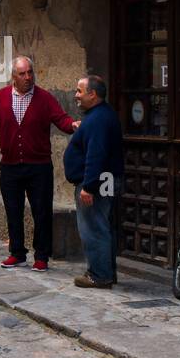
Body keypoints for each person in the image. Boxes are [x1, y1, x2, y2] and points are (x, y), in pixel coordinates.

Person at [0, 55, 78, 273]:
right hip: (10, 166)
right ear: (13, 76)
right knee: (13, 212)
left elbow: (61, 119)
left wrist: (73, 125)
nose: (28, 77)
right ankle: (17, 253)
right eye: (22, 74)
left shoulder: (44, 98)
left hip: (39, 166)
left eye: (30, 72)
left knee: (41, 212)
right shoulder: (0, 97)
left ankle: (42, 256)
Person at [63, 74, 124, 290]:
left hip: (97, 182)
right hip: (104, 180)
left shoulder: (98, 119)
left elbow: (96, 155)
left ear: (93, 94)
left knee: (94, 227)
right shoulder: (99, 115)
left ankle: (99, 275)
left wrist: (88, 186)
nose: (76, 95)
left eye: (80, 91)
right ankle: (106, 273)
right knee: (101, 225)